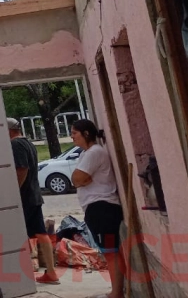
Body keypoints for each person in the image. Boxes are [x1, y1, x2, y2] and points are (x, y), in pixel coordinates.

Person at [71, 119, 125, 298]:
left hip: (103, 209)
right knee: (108, 252)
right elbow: (76, 179)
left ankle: (116, 293)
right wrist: (80, 180)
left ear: (86, 133)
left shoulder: (94, 153)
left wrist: (81, 181)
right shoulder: (85, 154)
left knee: (111, 253)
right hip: (96, 210)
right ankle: (116, 291)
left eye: (75, 133)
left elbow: (78, 178)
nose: (72, 137)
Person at [7, 118, 60, 285]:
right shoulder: (28, 143)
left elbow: (22, 169)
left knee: (16, 234)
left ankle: (20, 274)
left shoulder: (16, 145)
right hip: (34, 195)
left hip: (24, 197)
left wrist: (14, 191)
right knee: (41, 233)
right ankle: (51, 272)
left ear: (9, 131)